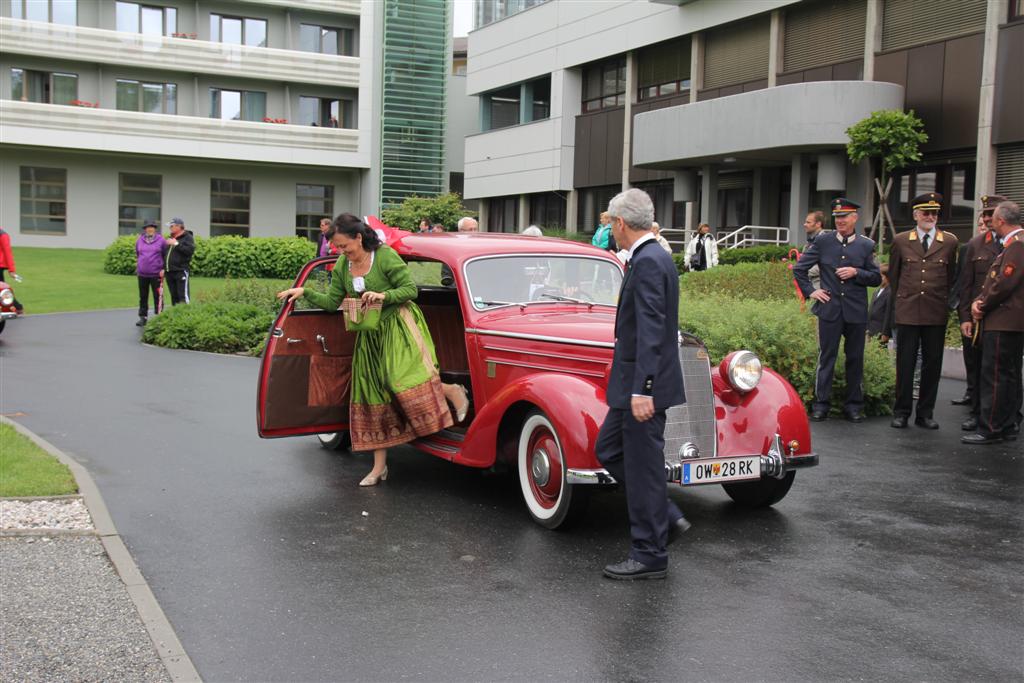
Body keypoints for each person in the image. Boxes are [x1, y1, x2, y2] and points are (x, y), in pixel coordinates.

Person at [276, 214, 471, 486]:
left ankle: (451, 390)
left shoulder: (385, 256)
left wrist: (383, 296)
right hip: (369, 334)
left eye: (345, 246)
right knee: (373, 394)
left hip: (398, 326)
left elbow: (410, 290)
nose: (342, 252)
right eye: (337, 248)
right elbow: (334, 302)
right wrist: (304, 292)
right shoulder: (344, 264)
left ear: (358, 237)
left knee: (400, 380)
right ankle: (379, 468)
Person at [596, 188, 687, 581]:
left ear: (619, 223)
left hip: (640, 386)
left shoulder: (649, 260)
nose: (610, 229)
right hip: (632, 384)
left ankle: (649, 553)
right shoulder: (652, 256)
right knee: (609, 449)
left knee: (644, 467)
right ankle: (665, 515)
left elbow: (652, 329)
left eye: (610, 223)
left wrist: (643, 388)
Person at [793, 198, 881, 422]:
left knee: (855, 358)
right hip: (830, 309)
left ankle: (853, 406)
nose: (840, 220)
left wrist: (856, 272)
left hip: (855, 311)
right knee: (827, 358)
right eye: (837, 217)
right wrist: (812, 292)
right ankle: (821, 404)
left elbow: (876, 278)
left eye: (845, 216)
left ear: (855, 218)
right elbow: (800, 269)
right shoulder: (824, 242)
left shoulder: (866, 245)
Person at [884, 192, 959, 429]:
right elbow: (894, 277)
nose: (930, 217)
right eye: (926, 212)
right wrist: (900, 303)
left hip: (935, 311)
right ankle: (902, 411)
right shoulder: (901, 240)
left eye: (934, 213)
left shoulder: (949, 242)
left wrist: (947, 305)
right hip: (908, 310)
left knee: (932, 364)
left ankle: (925, 413)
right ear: (916, 214)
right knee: (905, 363)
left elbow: (951, 278)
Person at [962, 201, 1023, 445]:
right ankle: (1006, 425)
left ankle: (991, 427)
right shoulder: (1014, 244)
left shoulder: (1016, 245)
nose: (990, 223)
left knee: (995, 376)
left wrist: (981, 304)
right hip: (1009, 322)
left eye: (993, 219)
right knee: (1007, 376)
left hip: (1003, 321)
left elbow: (1005, 283)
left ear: (1001, 221)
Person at [953, 195, 1004, 420]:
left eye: (991, 213)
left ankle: (1006, 416)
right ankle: (976, 414)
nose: (987, 218)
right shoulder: (974, 245)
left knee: (1003, 371)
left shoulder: (1016, 244)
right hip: (976, 319)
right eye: (984, 214)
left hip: (1004, 317)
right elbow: (964, 284)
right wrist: (964, 316)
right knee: (975, 367)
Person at [135, 220, 166, 326]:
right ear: (145, 229)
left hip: (156, 273)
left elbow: (165, 255)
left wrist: (163, 269)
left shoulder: (161, 240)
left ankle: (159, 317)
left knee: (158, 296)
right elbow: (138, 254)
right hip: (142, 273)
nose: (150, 229)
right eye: (148, 227)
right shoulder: (140, 240)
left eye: (152, 227)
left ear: (155, 229)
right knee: (143, 296)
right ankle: (143, 317)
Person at [164, 217, 195, 305]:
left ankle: (185, 316)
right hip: (169, 271)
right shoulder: (171, 238)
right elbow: (166, 255)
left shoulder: (187, 237)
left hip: (180, 271)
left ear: (179, 226)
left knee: (183, 297)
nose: (170, 228)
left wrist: (176, 244)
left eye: (172, 226)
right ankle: (175, 317)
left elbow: (189, 251)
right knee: (174, 297)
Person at [0, 226, 24, 313]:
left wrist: (11, 270)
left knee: (2, 290)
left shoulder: (3, 235)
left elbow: (7, 252)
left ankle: (17, 307)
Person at [867, 263, 891, 341]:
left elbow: (888, 314)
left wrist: (885, 333)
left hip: (880, 331)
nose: (878, 279)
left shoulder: (890, 292)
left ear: (888, 277)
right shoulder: (876, 291)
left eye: (881, 277)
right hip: (871, 329)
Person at [803, 210, 826, 290]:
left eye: (808, 222)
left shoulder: (825, 241)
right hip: (810, 283)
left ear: (818, 224)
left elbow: (826, 265)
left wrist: (802, 270)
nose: (805, 224)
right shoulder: (810, 240)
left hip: (820, 286)